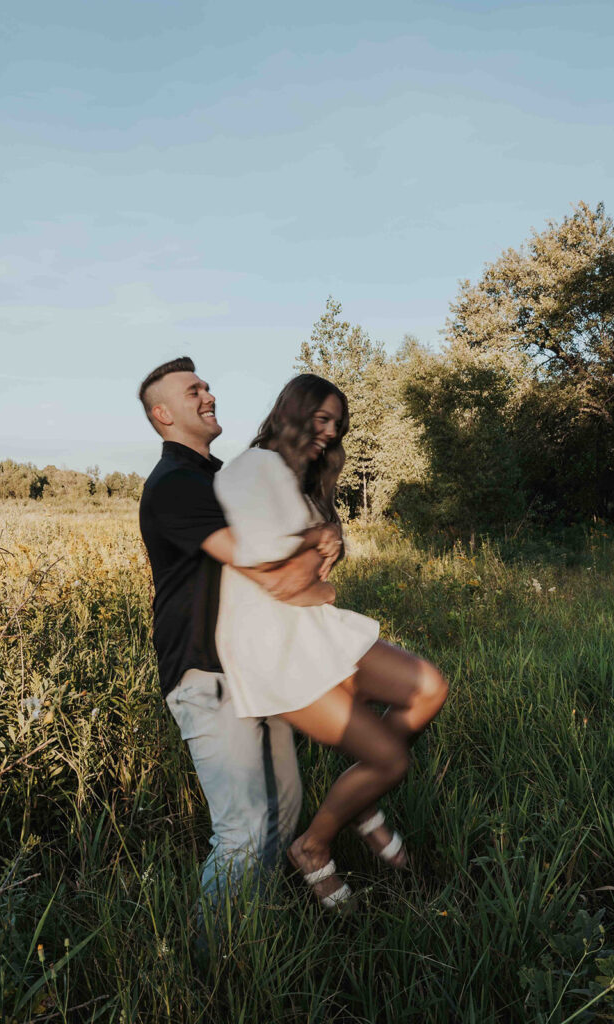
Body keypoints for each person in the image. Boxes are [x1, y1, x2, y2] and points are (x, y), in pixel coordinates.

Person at [213, 374, 449, 909]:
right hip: (273, 646)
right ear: (291, 412)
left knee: (430, 687)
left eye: (337, 425)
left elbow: (306, 574)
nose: (329, 432)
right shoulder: (252, 469)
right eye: (321, 419)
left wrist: (317, 560)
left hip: (313, 629)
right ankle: (314, 847)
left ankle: (358, 800)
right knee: (390, 759)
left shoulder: (295, 478)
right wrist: (317, 552)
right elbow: (277, 572)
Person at [137, 357, 335, 916]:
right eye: (192, 390)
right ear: (162, 414)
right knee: (243, 831)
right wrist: (315, 558)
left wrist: (316, 542)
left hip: (257, 668)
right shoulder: (175, 484)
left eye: (206, 385)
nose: (208, 395)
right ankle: (212, 970)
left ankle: (254, 935)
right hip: (208, 674)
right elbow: (267, 570)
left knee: (284, 810)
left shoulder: (223, 476)